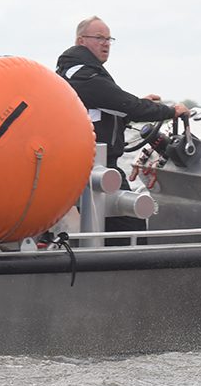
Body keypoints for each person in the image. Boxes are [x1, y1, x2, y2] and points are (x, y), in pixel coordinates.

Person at [56, 16, 187, 241]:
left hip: (86, 167)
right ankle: (127, 274)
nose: (105, 44)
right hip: (96, 168)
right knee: (130, 228)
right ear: (81, 41)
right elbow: (126, 105)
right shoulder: (84, 75)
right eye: (99, 38)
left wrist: (140, 103)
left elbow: (107, 110)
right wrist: (171, 112)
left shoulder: (77, 72)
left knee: (113, 228)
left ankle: (105, 265)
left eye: (108, 39)